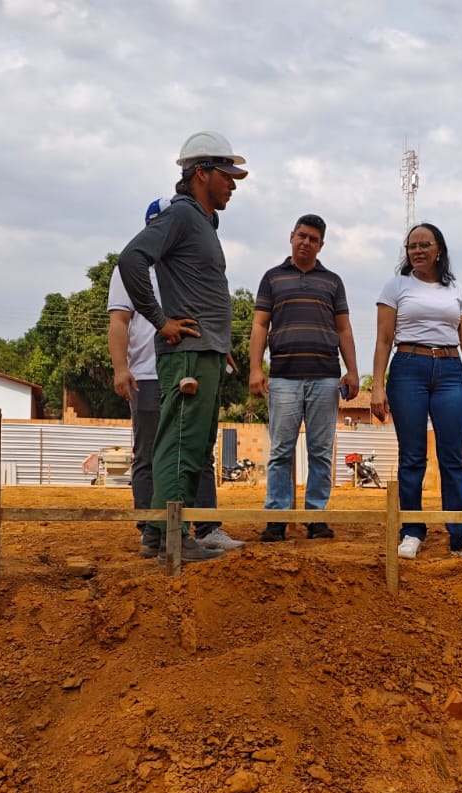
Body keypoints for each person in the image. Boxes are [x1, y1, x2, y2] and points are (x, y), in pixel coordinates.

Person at [117, 131, 249, 563]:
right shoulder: (181, 215)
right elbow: (131, 259)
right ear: (201, 173)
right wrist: (161, 321)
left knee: (193, 444)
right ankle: (173, 539)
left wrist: (220, 342)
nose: (232, 185)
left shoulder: (202, 222)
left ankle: (162, 533)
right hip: (188, 353)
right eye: (227, 175)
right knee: (180, 442)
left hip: (206, 350)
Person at [369, 223, 462, 560]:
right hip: (407, 368)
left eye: (424, 244)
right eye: (412, 246)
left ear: (439, 249)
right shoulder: (396, 286)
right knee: (412, 456)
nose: (417, 250)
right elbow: (383, 339)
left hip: (450, 371)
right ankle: (411, 531)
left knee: (452, 456)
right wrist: (377, 385)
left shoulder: (456, 288)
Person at [250, 214, 360, 542]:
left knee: (321, 451)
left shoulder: (333, 282)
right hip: (283, 377)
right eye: (301, 236)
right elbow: (260, 325)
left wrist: (352, 370)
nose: (306, 242)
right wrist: (256, 369)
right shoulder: (272, 278)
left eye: (313, 239)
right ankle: (277, 518)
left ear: (321, 245)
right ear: (291, 236)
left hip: (325, 377)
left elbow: (343, 329)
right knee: (280, 451)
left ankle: (316, 518)